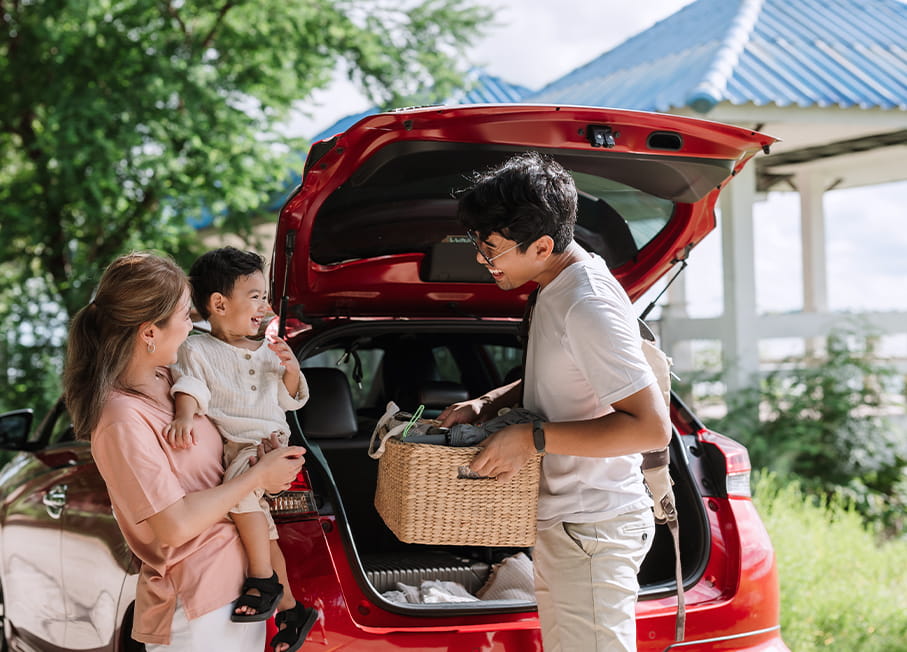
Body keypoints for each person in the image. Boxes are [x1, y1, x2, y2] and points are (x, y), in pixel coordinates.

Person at [438, 152, 672, 652]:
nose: (483, 261)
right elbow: (561, 378)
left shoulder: (586, 305)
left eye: (493, 249)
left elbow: (651, 428)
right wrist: (489, 402)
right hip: (571, 525)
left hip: (593, 528)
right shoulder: (555, 283)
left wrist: (531, 437)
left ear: (542, 245)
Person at [63, 252, 306, 652]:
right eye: (182, 314)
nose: (191, 324)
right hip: (197, 606)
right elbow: (173, 526)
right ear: (148, 333)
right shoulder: (121, 418)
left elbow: (227, 444)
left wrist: (263, 459)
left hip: (240, 590)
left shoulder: (172, 379)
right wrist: (256, 478)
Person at [164, 246, 318, 652]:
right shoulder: (196, 349)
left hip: (268, 445)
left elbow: (290, 401)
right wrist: (184, 415)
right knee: (264, 531)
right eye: (255, 296)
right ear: (218, 303)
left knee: (238, 495)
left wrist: (292, 371)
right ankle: (289, 607)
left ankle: (263, 580)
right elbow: (191, 386)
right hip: (239, 446)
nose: (264, 305)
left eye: (265, 296)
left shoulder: (270, 351)